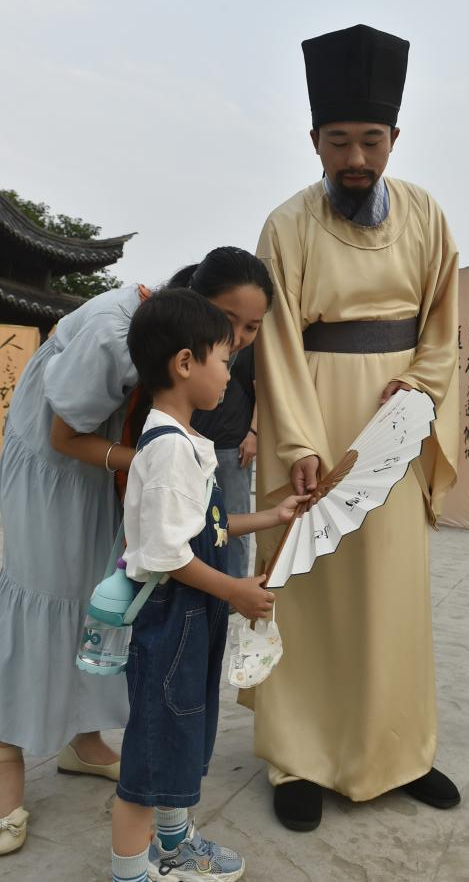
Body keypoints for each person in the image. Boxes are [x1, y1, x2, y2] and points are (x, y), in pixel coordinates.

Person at [249, 24, 461, 830]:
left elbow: (442, 325)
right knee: (311, 590)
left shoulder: (427, 215)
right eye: (339, 141)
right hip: (312, 421)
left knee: (391, 592)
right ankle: (298, 756)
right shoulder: (287, 225)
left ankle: (401, 752)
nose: (356, 158)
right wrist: (299, 444)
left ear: (394, 138)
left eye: (371, 139)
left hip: (395, 429)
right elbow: (275, 341)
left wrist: (421, 386)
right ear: (315, 141)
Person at [0, 246, 272, 857]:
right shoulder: (112, 333)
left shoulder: (188, 348)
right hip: (53, 466)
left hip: (107, 465)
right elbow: (64, 435)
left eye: (252, 328)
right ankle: (4, 760)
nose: (237, 340)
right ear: (192, 302)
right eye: (229, 321)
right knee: (38, 595)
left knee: (100, 595)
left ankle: (84, 740)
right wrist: (162, 463)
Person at [111, 289, 307, 882]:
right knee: (151, 757)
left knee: (180, 734)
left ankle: (174, 842)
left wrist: (270, 516)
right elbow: (168, 554)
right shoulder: (170, 451)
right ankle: (129, 871)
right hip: (174, 615)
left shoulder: (186, 442)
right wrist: (235, 591)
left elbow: (207, 526)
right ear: (184, 363)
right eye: (224, 359)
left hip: (192, 615)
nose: (229, 372)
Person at [192, 344, 257, 582]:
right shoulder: (202, 336)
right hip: (195, 438)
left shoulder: (248, 343)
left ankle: (235, 585)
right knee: (195, 518)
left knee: (233, 519)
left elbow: (263, 389)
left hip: (233, 443)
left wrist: (254, 433)